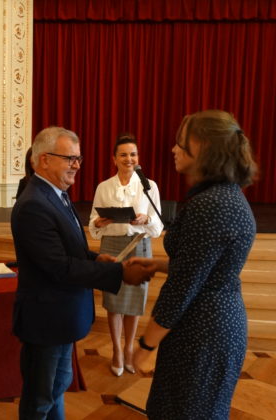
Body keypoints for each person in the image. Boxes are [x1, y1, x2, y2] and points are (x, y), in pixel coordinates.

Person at [11, 126, 155, 420]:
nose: (77, 165)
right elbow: (59, 266)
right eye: (70, 159)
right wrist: (116, 273)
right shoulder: (34, 204)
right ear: (44, 160)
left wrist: (96, 257)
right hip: (47, 320)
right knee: (40, 399)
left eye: (78, 159)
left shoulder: (56, 194)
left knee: (57, 388)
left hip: (61, 316)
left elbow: (69, 250)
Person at [131, 110, 258, 419]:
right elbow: (204, 265)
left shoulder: (210, 205)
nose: (174, 149)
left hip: (202, 332)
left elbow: (183, 287)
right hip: (216, 325)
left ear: (203, 146)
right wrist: (158, 265)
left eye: (181, 142)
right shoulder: (226, 196)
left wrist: (145, 346)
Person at [88, 133, 163, 376]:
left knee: (133, 303)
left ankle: (129, 348)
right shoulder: (104, 186)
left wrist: (146, 218)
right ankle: (117, 350)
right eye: (123, 155)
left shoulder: (149, 186)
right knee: (113, 302)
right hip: (111, 245)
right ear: (114, 159)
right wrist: (98, 222)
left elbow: (158, 226)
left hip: (139, 245)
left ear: (138, 157)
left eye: (133, 154)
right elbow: (93, 221)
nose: (129, 159)